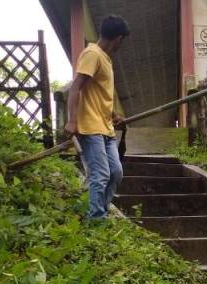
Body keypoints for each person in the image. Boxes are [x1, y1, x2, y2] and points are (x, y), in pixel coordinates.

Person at [64, 15, 129, 220]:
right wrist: (72, 121)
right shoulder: (92, 54)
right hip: (90, 127)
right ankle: (96, 221)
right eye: (121, 41)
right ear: (118, 38)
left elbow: (99, 94)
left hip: (105, 127)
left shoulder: (105, 58)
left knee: (116, 173)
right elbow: (76, 87)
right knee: (100, 174)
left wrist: (114, 115)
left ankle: (99, 212)